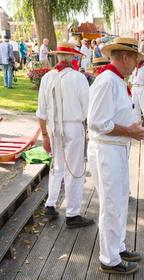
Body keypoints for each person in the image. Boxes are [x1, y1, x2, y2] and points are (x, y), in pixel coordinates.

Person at [87, 37, 144, 275]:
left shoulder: (118, 81)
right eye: (135, 59)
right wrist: (129, 131)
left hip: (118, 147)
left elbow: (123, 121)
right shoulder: (107, 81)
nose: (136, 64)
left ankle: (117, 247)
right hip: (107, 149)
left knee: (119, 200)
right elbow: (97, 122)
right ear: (124, 57)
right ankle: (108, 259)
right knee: (111, 204)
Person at [36, 42, 94, 228]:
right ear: (73, 58)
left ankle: (51, 204)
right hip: (73, 127)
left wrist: (44, 134)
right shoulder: (78, 78)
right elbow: (88, 109)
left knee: (57, 165)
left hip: (54, 128)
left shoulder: (47, 77)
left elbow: (41, 111)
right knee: (74, 170)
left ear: (58, 57)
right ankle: (72, 214)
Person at [129, 57, 144, 129]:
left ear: (141, 59)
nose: (136, 59)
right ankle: (138, 126)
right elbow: (130, 81)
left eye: (138, 58)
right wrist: (129, 92)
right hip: (134, 88)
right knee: (135, 108)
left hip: (142, 88)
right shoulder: (133, 68)